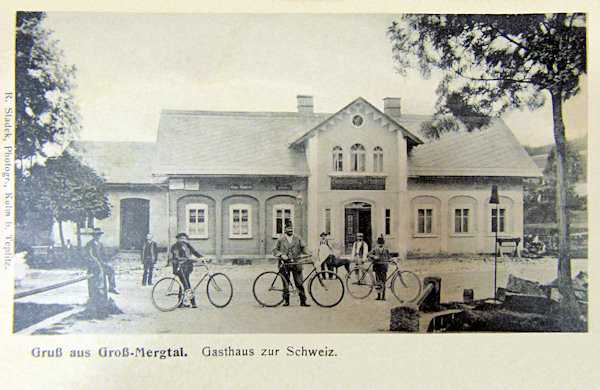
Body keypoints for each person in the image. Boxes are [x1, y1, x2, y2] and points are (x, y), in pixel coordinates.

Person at [273, 222, 310, 307]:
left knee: (299, 282)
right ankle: (286, 301)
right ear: (285, 229)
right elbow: (275, 250)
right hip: (284, 264)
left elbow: (303, 248)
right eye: (288, 228)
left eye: (291, 228)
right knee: (285, 283)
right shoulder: (280, 239)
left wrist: (308, 253)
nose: (290, 230)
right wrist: (281, 255)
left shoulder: (297, 238)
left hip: (296, 263)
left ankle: (303, 301)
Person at [169, 232, 202, 308]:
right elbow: (176, 257)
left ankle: (180, 302)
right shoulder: (174, 247)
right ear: (178, 239)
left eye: (184, 238)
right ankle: (193, 302)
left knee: (183, 284)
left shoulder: (187, 245)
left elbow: (194, 252)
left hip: (187, 267)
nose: (183, 240)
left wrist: (201, 257)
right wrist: (189, 259)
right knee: (187, 285)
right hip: (179, 267)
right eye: (181, 238)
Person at [85, 228, 119, 294]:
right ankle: (99, 288)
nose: (98, 237)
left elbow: (103, 255)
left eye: (99, 235)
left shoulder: (100, 244)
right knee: (100, 270)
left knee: (111, 269)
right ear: (93, 236)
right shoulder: (90, 244)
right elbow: (89, 255)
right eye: (96, 235)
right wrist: (96, 262)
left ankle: (111, 287)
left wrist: (110, 258)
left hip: (100, 263)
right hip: (92, 264)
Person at [367, 235, 390, 301]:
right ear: (377, 243)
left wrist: (393, 259)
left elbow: (389, 257)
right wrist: (374, 256)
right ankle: (378, 296)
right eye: (379, 243)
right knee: (378, 281)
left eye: (382, 243)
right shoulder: (375, 249)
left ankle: (383, 296)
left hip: (384, 267)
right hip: (377, 267)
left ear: (384, 243)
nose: (380, 244)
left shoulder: (386, 250)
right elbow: (368, 254)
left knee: (383, 281)